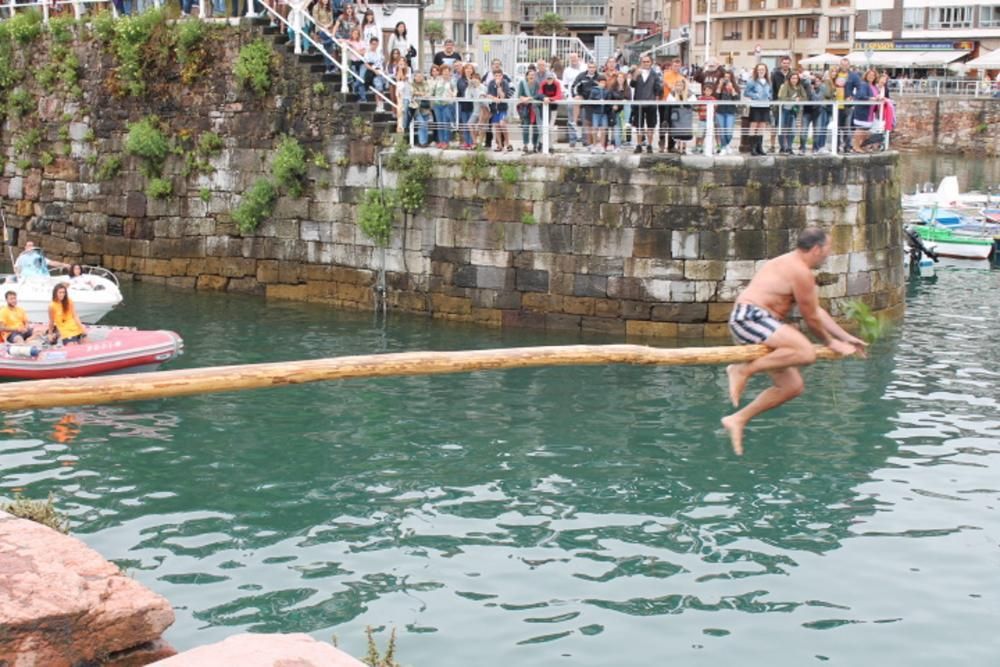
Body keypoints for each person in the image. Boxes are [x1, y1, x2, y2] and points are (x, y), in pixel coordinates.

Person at [722, 227, 866, 454]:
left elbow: (816, 311)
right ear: (817, 249)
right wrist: (831, 343)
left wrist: (846, 338)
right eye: (828, 248)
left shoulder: (796, 267)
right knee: (805, 352)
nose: (829, 253)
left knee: (792, 387)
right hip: (750, 319)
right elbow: (810, 319)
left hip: (766, 326)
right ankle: (742, 370)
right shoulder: (799, 271)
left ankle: (738, 419)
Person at [630, 54, 661, 154]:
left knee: (651, 125)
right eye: (644, 61)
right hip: (638, 103)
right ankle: (639, 145)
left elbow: (658, 89)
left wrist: (656, 100)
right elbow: (632, 85)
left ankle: (649, 145)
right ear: (641, 62)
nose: (646, 63)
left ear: (651, 63)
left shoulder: (655, 74)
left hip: (651, 103)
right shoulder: (637, 73)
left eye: (648, 61)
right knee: (639, 125)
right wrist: (635, 75)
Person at [744, 63, 772, 156]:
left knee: (762, 126)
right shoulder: (752, 81)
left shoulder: (768, 81)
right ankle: (752, 148)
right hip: (755, 106)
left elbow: (771, 92)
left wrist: (769, 97)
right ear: (756, 70)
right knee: (754, 126)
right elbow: (746, 92)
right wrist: (755, 96)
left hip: (765, 106)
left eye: (763, 69)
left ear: (766, 71)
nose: (761, 71)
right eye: (759, 69)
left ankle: (759, 147)